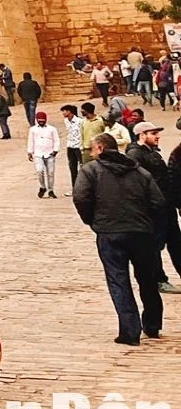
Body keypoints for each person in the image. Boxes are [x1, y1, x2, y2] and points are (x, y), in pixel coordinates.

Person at [75, 133, 167, 344]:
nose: (91, 153)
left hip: (109, 234)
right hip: (141, 233)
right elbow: (158, 203)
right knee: (147, 278)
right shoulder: (140, 173)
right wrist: (151, 228)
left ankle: (130, 331)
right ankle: (152, 324)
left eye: (92, 148)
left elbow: (81, 197)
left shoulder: (91, 171)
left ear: (100, 148)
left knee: (118, 281)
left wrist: (93, 221)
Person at [123, 124, 181, 289]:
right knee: (155, 245)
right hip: (153, 209)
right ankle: (159, 280)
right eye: (153, 133)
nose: (157, 136)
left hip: (166, 206)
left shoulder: (151, 152)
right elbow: (136, 183)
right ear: (142, 135)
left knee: (176, 243)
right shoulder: (135, 154)